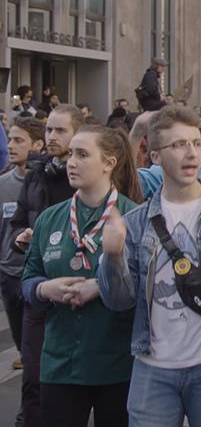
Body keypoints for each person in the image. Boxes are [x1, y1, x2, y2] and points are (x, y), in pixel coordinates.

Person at [97, 106, 201, 426]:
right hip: (152, 367)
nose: (191, 153)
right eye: (179, 145)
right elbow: (118, 301)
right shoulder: (136, 224)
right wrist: (113, 256)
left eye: (197, 143)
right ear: (154, 156)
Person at [22, 125, 143, 426]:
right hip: (61, 363)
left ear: (108, 163)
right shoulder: (51, 218)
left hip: (117, 364)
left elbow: (145, 287)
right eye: (71, 154)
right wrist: (43, 289)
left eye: (82, 154)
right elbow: (28, 278)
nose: (71, 162)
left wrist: (101, 285)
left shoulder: (134, 217)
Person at [10, 104, 85, 427]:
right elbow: (17, 221)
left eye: (60, 130)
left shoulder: (87, 177)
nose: (51, 136)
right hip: (40, 291)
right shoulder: (37, 174)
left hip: (80, 292)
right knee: (35, 375)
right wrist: (21, 237)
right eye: (49, 130)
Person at [0, 117, 45, 379]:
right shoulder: (3, 184)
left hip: (37, 277)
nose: (11, 145)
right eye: (10, 139)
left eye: (19, 140)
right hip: (9, 274)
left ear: (37, 145)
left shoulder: (48, 183)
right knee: (21, 340)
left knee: (37, 348)